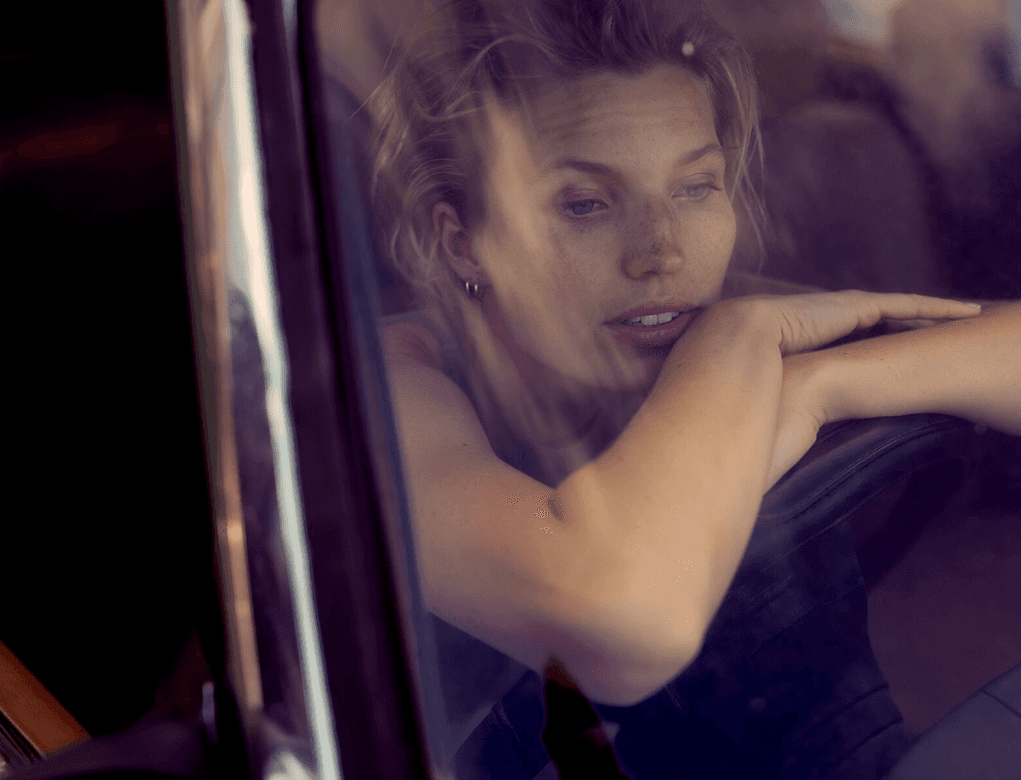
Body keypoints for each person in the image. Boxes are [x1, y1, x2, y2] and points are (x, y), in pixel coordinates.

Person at [367, 0, 1021, 777]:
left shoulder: (707, 320)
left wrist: (823, 382)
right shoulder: (391, 387)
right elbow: (619, 626)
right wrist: (738, 345)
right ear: (463, 242)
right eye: (585, 203)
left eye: (694, 187)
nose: (661, 252)